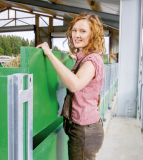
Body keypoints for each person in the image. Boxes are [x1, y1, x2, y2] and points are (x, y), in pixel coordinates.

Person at [36, 13, 106, 160]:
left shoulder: (92, 60)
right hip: (83, 129)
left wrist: (49, 54)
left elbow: (75, 84)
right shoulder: (85, 58)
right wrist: (76, 57)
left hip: (84, 132)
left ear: (93, 35)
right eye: (74, 30)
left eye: (83, 31)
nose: (76, 35)